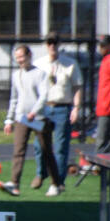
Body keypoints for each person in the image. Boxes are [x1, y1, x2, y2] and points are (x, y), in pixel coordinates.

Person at [0, 44, 63, 197]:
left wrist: (34, 112)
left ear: (29, 55)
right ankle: (14, 184)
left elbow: (43, 95)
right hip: (21, 118)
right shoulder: (16, 75)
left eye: (22, 57)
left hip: (39, 118)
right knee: (18, 150)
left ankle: (56, 183)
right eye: (17, 58)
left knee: (46, 150)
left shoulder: (40, 74)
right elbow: (14, 98)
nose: (20, 60)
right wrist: (9, 119)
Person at [34, 35, 82, 187]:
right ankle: (41, 174)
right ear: (46, 45)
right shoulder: (39, 64)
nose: (52, 46)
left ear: (59, 44)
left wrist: (76, 108)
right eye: (49, 42)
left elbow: (77, 86)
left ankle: (58, 181)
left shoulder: (69, 64)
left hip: (62, 107)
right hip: (43, 108)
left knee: (61, 147)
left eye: (55, 42)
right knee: (39, 145)